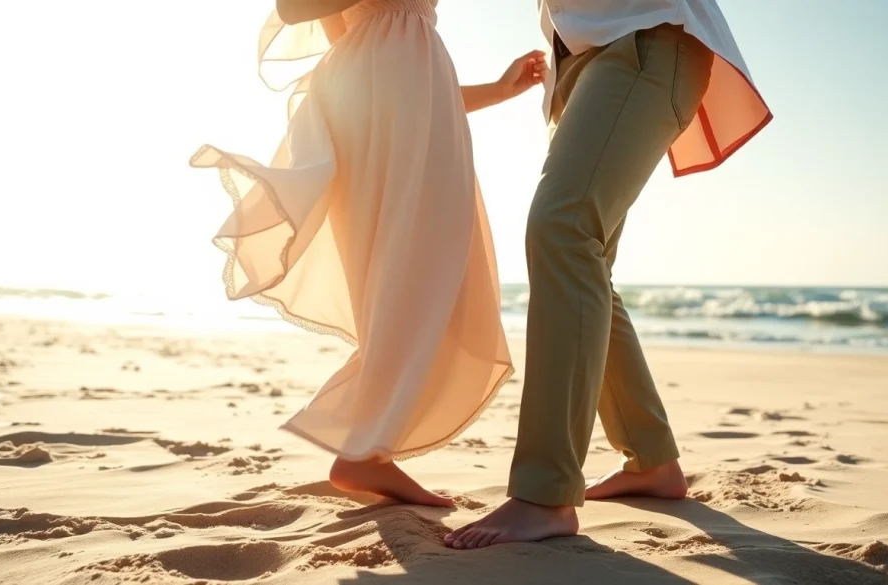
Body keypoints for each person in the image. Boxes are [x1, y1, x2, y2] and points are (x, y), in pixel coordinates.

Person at [190, 0, 545, 507]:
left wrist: (499, 90)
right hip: (370, 120)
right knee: (410, 272)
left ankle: (368, 450)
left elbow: (396, 69)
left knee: (436, 270)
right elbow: (296, 10)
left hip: (413, 113)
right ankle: (364, 452)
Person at [445, 0, 772, 548]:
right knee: (583, 259)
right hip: (585, 60)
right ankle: (651, 459)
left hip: (643, 37)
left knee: (562, 233)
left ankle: (545, 493)